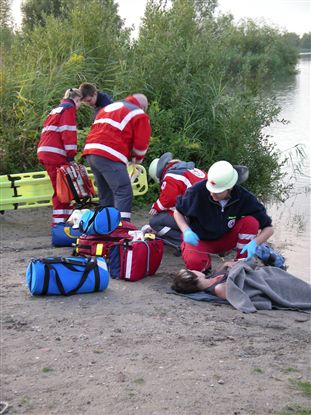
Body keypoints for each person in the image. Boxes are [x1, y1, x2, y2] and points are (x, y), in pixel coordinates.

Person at [174, 160, 274, 272]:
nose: (212, 194)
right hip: (200, 240)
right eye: (211, 189)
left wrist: (255, 243)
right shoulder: (196, 192)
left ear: (230, 188)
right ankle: (206, 266)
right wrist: (186, 230)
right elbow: (177, 212)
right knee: (195, 264)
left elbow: (269, 228)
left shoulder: (243, 197)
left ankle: (241, 263)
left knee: (251, 222)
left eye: (218, 191)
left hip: (226, 239)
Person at [82, 94, 151, 221]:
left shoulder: (109, 107)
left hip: (91, 151)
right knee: (123, 192)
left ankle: (104, 227)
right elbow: (141, 144)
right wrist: (137, 160)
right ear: (143, 106)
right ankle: (121, 228)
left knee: (106, 194)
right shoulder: (138, 113)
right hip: (109, 153)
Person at [37, 88, 81, 226]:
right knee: (62, 190)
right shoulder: (69, 109)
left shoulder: (56, 109)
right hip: (56, 154)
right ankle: (60, 225)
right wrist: (71, 156)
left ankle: (64, 221)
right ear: (77, 99)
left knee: (64, 188)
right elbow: (68, 133)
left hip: (46, 151)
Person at [147, 152, 208, 248]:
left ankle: (184, 244)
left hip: (197, 218)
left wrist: (156, 207)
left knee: (155, 222)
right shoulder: (191, 170)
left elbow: (167, 200)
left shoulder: (171, 176)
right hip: (209, 215)